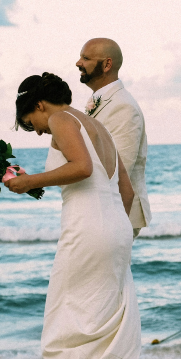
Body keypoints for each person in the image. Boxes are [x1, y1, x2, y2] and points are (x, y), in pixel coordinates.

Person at [5, 73, 140, 359]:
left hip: (89, 228)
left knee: (62, 329)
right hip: (115, 227)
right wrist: (113, 227)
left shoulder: (62, 119)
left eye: (30, 122)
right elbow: (126, 190)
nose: (36, 131)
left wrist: (31, 181)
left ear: (40, 105)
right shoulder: (99, 127)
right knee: (94, 325)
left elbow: (81, 168)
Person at [76, 38, 152, 238]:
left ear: (107, 64)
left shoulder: (123, 106)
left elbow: (119, 170)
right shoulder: (104, 100)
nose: (78, 63)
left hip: (115, 216)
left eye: (86, 58)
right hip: (99, 213)